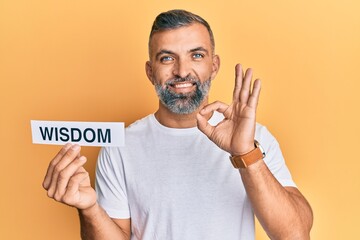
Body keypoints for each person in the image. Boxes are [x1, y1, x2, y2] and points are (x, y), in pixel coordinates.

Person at [43, 9, 313, 240]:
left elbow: (295, 233)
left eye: (196, 55)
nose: (182, 71)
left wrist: (245, 154)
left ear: (214, 65)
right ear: (150, 72)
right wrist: (89, 209)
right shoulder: (120, 148)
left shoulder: (255, 139)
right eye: (167, 58)